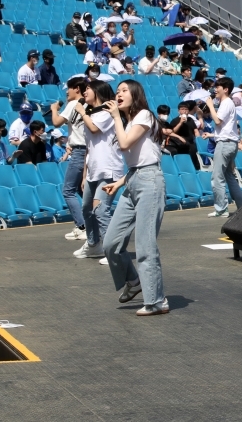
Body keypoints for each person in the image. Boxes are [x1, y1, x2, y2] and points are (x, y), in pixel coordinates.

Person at [97, 80, 167, 315]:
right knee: (111, 243)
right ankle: (134, 282)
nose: (118, 94)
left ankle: (157, 301)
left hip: (149, 181)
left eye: (124, 90)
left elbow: (127, 144)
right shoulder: (127, 122)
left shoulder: (145, 115)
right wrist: (119, 183)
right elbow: (135, 159)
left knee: (146, 245)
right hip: (134, 179)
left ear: (135, 94)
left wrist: (116, 117)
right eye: (117, 91)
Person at [71, 80, 122, 263]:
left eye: (88, 90)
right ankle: (93, 245)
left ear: (98, 91)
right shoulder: (91, 114)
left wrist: (82, 112)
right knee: (87, 209)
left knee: (100, 210)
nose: (84, 93)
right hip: (93, 169)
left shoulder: (107, 111)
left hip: (107, 169)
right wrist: (85, 174)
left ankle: (112, 250)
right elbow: (88, 147)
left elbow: (94, 129)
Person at [50, 76, 88, 240]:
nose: (66, 91)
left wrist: (54, 109)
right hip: (85, 149)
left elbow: (57, 122)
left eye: (69, 88)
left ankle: (82, 226)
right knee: (81, 189)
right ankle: (90, 223)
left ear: (77, 89)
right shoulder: (87, 104)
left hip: (79, 151)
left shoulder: (74, 103)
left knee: (68, 191)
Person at [205, 77, 242, 218]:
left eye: (218, 87)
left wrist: (210, 105)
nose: (215, 89)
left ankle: (221, 208)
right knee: (229, 176)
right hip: (230, 143)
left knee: (217, 177)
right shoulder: (227, 103)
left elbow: (217, 120)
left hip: (224, 144)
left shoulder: (226, 102)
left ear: (226, 89)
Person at [170, 101, 201, 170]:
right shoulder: (175, 120)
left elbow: (195, 131)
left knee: (194, 149)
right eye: (182, 109)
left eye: (186, 109)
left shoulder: (190, 120)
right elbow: (172, 132)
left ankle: (196, 168)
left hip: (190, 142)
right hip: (179, 143)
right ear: (179, 111)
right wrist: (180, 123)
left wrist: (199, 140)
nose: (184, 111)